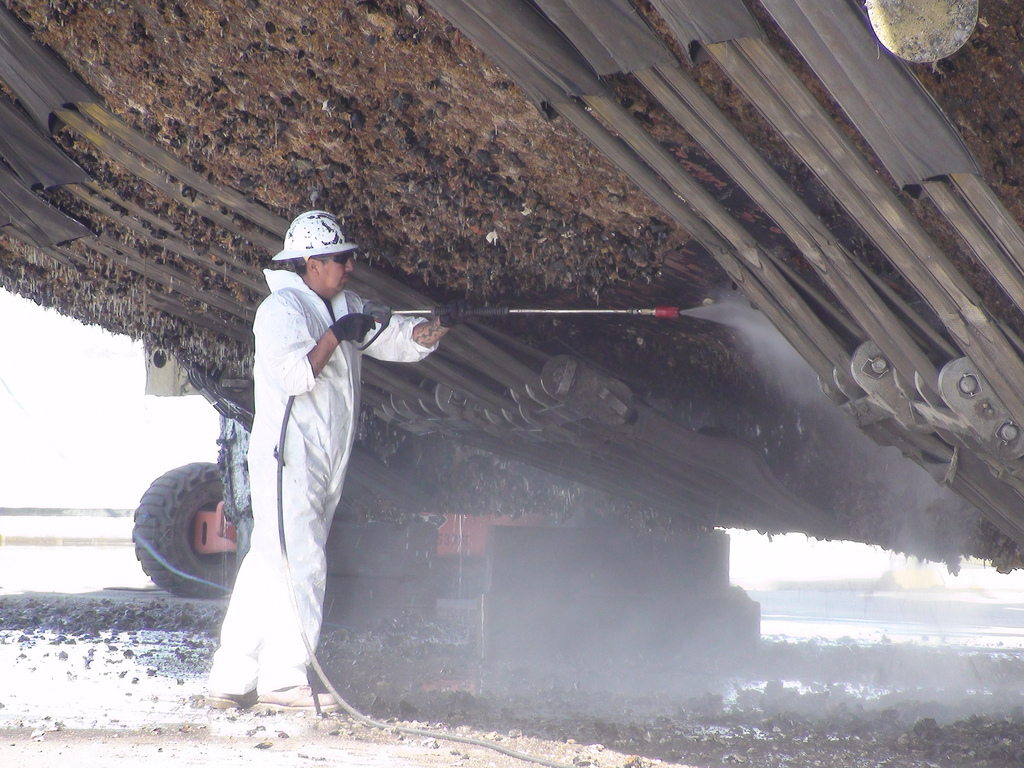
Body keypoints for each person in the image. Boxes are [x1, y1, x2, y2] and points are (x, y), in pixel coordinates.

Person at [207, 210, 460, 711]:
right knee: (301, 560)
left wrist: (429, 332)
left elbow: (390, 337)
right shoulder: (280, 311)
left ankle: (231, 677)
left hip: (324, 458)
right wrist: (337, 334)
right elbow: (298, 377)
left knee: (267, 563)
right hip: (287, 458)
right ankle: (284, 677)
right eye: (341, 259)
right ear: (311, 262)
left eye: (349, 259)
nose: (349, 267)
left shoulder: (341, 304)